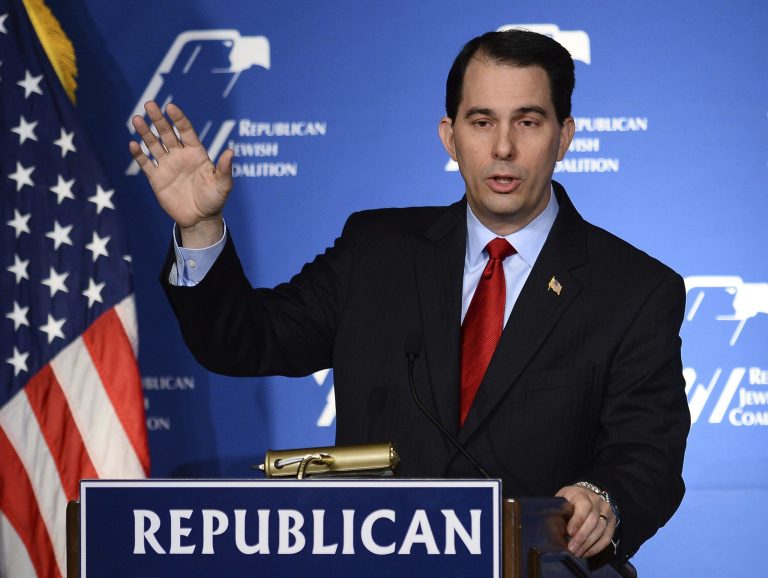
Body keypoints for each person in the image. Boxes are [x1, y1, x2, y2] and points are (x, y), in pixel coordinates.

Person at [129, 30, 689, 567]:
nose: (502, 147)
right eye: (481, 121)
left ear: (564, 136)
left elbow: (648, 458)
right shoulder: (376, 251)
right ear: (450, 136)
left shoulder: (635, 289)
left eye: (528, 121)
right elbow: (244, 341)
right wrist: (200, 227)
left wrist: (602, 499)